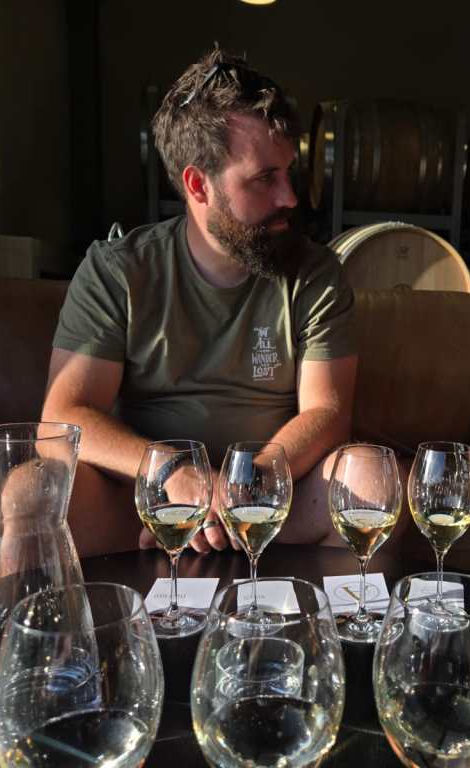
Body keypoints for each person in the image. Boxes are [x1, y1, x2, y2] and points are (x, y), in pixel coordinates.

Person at [42, 48, 358, 557]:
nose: (290, 197)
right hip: (143, 500)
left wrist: (240, 488)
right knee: (29, 497)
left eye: (288, 172)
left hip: (270, 497)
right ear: (197, 185)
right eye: (264, 178)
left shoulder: (315, 273)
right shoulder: (118, 270)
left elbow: (328, 410)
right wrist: (174, 474)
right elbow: (64, 414)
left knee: (369, 481)